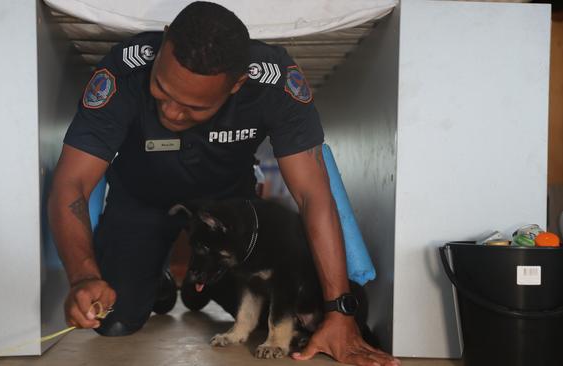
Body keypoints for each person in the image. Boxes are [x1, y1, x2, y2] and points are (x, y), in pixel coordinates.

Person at [48, 2, 399, 365]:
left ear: (237, 85)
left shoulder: (274, 84)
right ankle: (158, 277)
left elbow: (313, 195)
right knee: (113, 321)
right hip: (141, 201)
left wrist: (340, 313)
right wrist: (82, 277)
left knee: (274, 314)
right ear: (166, 39)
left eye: (192, 108)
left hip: (228, 213)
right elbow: (71, 184)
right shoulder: (124, 72)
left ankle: (200, 288)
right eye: (161, 89)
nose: (170, 111)